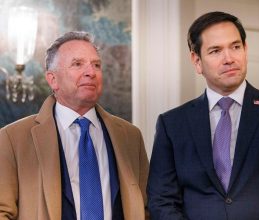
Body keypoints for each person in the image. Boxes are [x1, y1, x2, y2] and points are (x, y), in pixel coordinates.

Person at [147, 11, 259, 220]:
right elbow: (161, 199)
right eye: (216, 51)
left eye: (235, 47)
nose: (229, 59)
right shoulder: (172, 124)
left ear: (245, 50)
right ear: (197, 60)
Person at [0, 31, 149, 220]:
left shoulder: (131, 136)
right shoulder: (13, 138)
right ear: (52, 79)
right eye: (77, 64)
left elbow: (146, 207)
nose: (91, 72)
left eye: (96, 65)